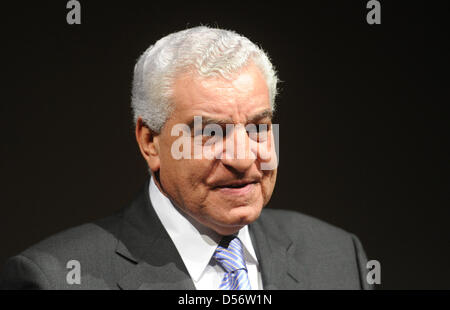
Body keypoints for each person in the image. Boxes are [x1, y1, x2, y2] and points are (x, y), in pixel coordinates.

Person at [0, 26, 372, 290]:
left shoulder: (338, 256)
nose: (243, 158)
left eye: (258, 127)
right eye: (212, 132)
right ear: (150, 141)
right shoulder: (54, 279)